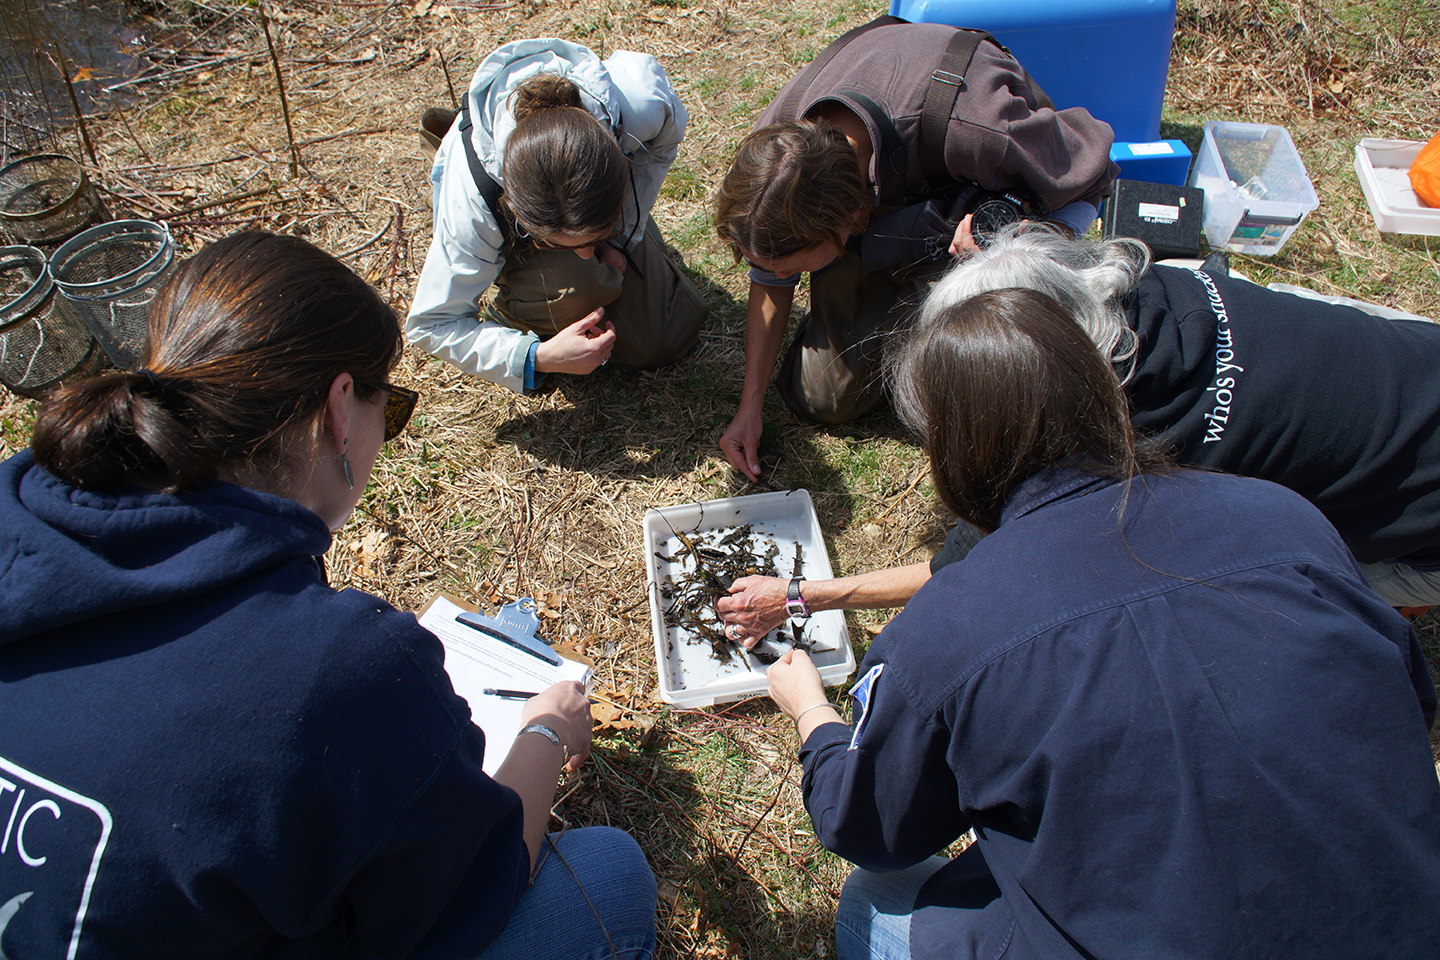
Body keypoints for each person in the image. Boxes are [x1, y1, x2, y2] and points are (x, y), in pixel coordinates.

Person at [0, 232, 656, 958]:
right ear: (341, 408)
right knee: (607, 876)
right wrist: (544, 733)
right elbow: (480, 877)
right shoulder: (340, 664)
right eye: (393, 409)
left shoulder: (20, 513)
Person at [765, 286, 1440, 960]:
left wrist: (811, 714)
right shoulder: (1285, 516)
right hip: (1405, 920)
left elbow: (868, 829)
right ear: (1105, 393)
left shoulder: (948, 630)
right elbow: (1406, 697)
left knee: (873, 901)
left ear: (950, 452)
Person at [717, 226, 1440, 643]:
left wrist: (806, 595)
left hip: (1424, 527)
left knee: (1204, 593)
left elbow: (975, 564)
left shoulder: (1134, 439)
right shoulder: (1154, 280)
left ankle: (1387, 596)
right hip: (1415, 358)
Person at [712, 16, 1119, 480]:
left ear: (847, 221)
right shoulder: (774, 158)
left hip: (963, 172)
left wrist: (1023, 241)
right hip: (890, 203)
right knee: (821, 397)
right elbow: (769, 276)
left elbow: (1097, 175)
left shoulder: (981, 128)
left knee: (986, 395)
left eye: (792, 269)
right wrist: (751, 406)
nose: (780, 279)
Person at [409, 38, 707, 394]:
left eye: (593, 238)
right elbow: (433, 323)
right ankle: (516, 305)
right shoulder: (473, 201)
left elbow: (660, 149)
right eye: (553, 243)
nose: (587, 255)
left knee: (666, 335)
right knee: (586, 286)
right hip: (492, 203)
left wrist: (621, 237)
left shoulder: (641, 108)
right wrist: (538, 356)